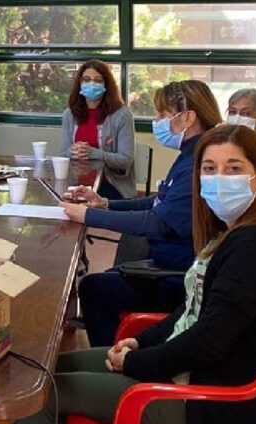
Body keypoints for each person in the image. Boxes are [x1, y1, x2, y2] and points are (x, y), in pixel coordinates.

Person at [10, 123, 256, 424]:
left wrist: (136, 362)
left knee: (44, 389)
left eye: (233, 169)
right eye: (209, 169)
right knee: (46, 367)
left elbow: (209, 341)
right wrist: (143, 342)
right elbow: (192, 310)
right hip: (194, 376)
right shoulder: (235, 231)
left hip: (206, 405)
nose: (217, 179)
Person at [63, 79, 222, 347]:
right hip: (169, 263)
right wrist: (105, 204)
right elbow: (159, 201)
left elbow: (158, 222)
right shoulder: (192, 153)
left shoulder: (199, 162)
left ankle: (112, 363)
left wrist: (87, 216)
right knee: (111, 275)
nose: (158, 120)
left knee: (93, 287)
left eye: (164, 114)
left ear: (188, 117)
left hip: (177, 276)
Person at [60, 60, 136, 200]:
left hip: (111, 185)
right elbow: (63, 154)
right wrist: (74, 151)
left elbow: (126, 160)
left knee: (89, 214)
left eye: (98, 80)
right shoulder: (69, 114)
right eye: (86, 79)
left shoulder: (122, 115)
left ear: (106, 84)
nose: (92, 84)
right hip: (76, 185)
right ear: (80, 84)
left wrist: (93, 153)